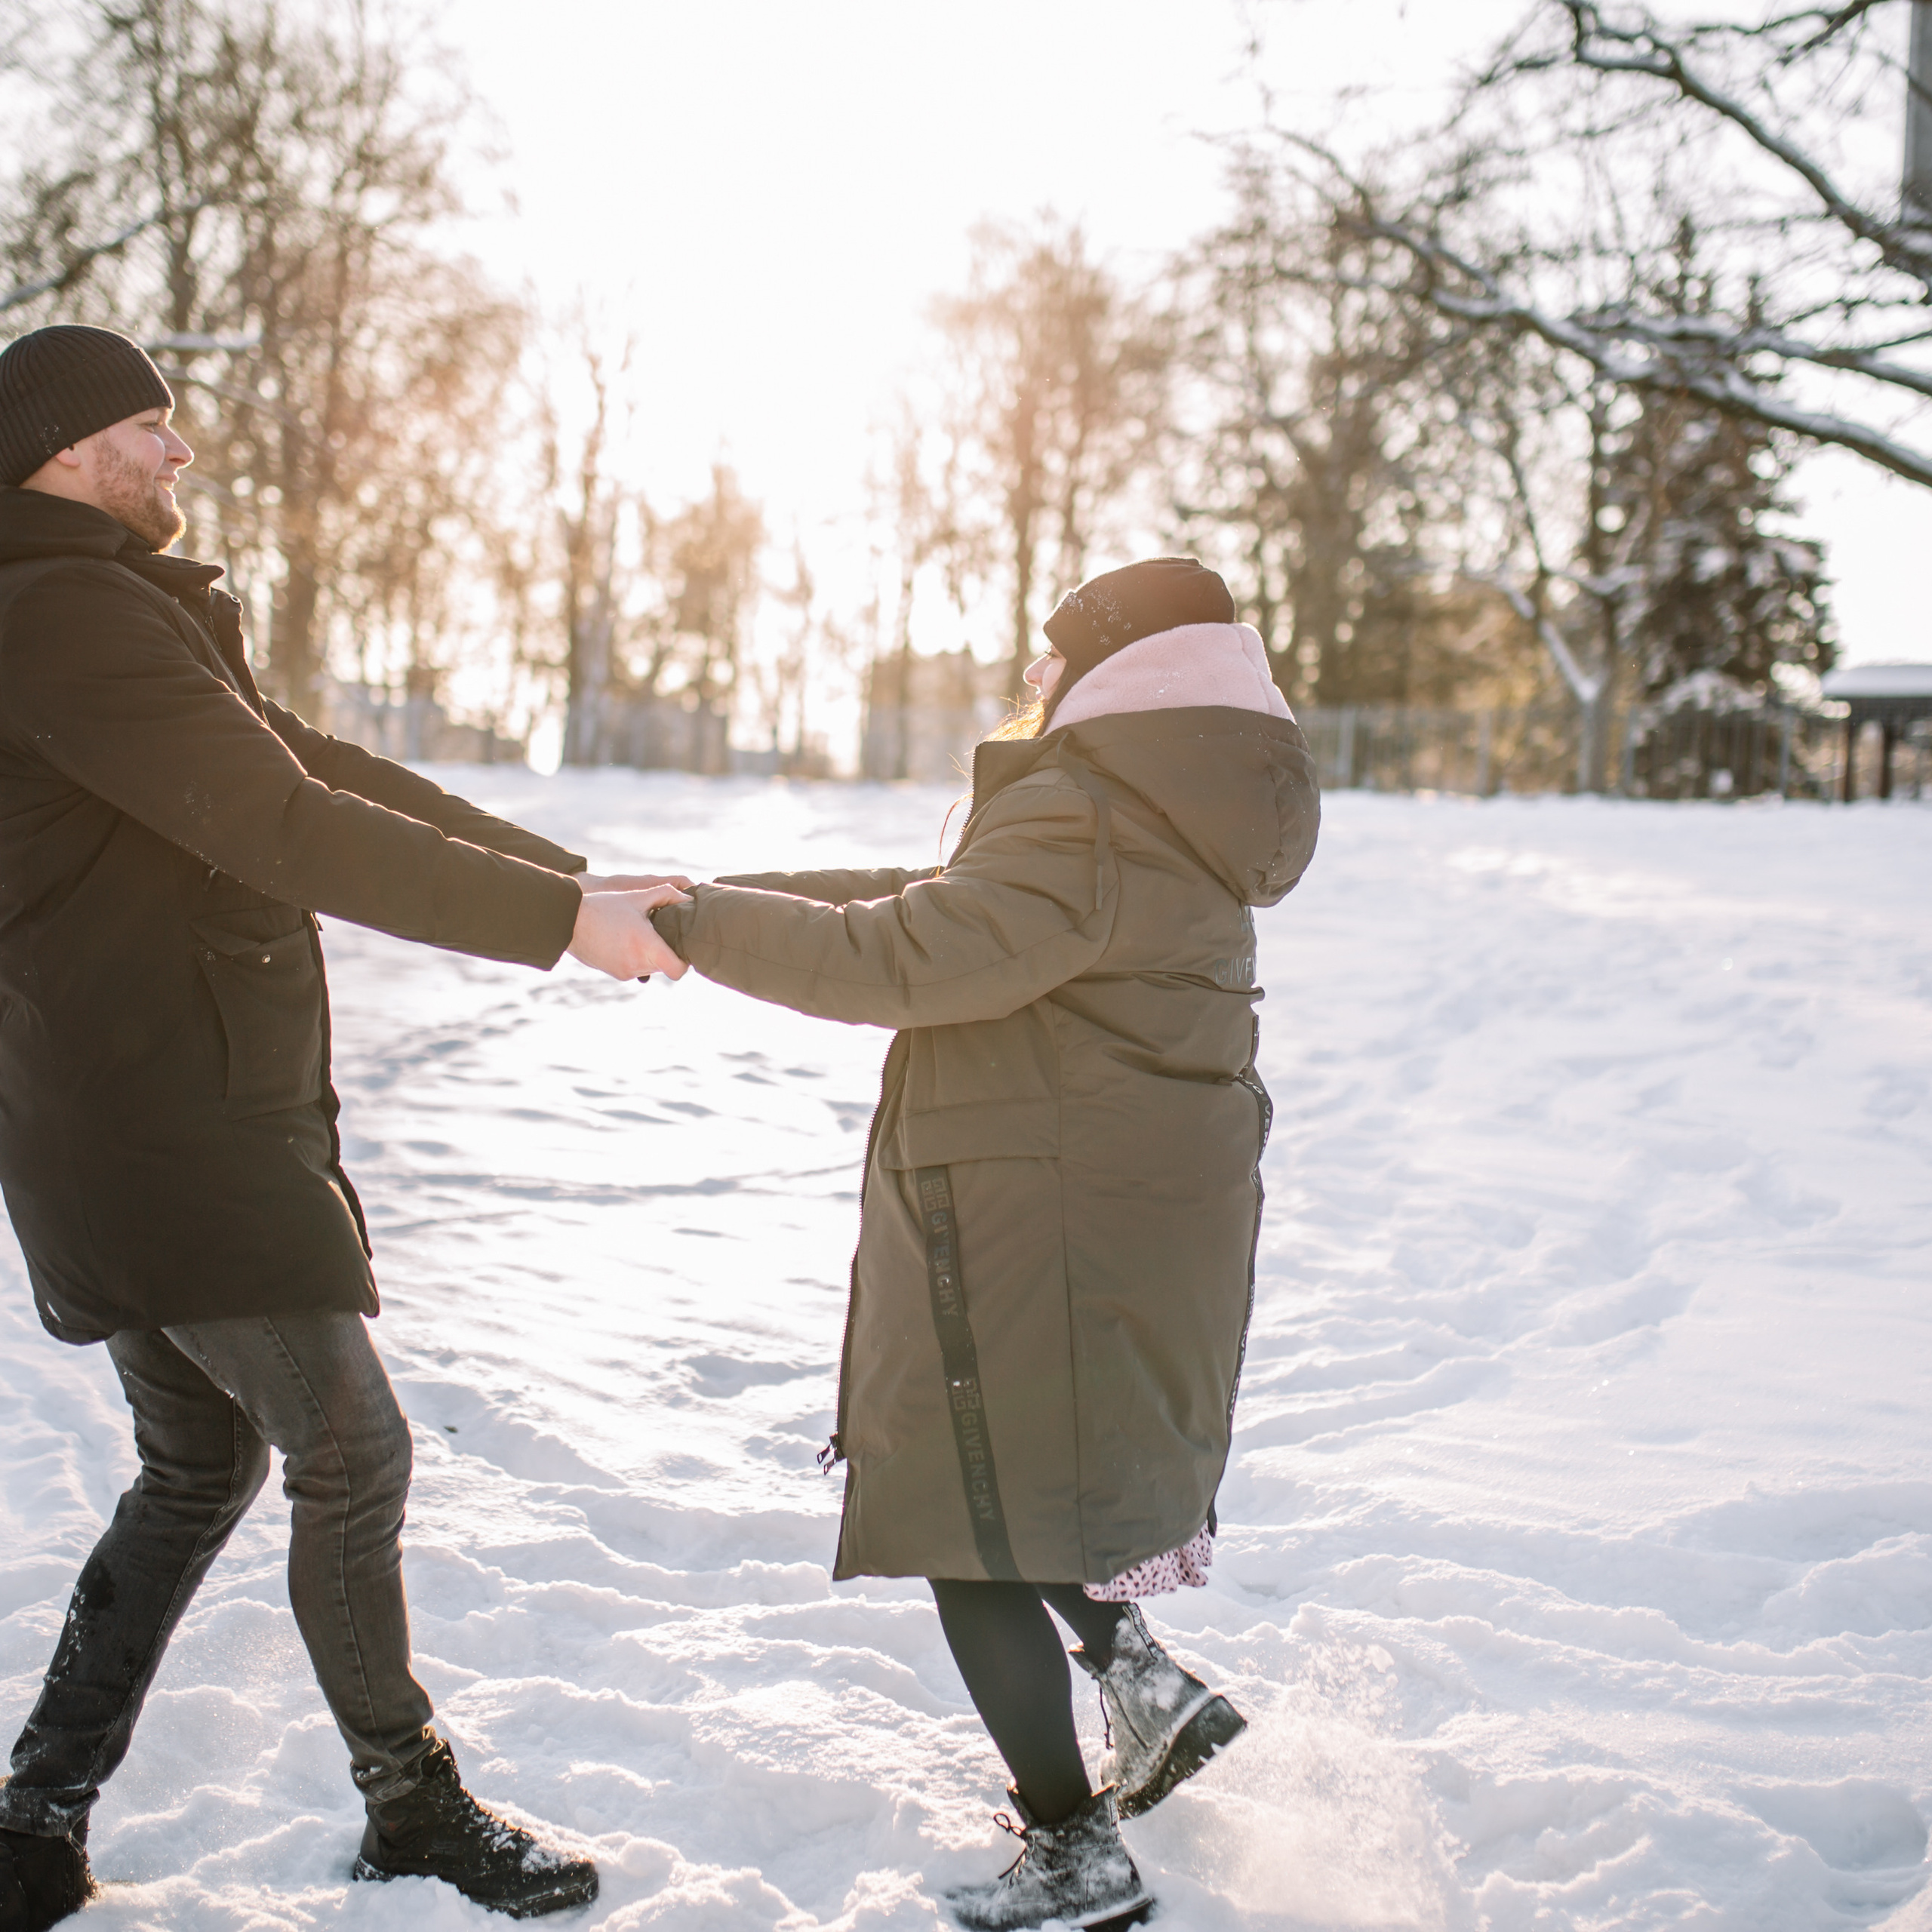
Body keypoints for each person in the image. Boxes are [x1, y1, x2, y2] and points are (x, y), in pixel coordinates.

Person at [0, 324, 687, 1931]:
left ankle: (34, 1820)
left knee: (198, 1464)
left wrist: (568, 875)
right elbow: (286, 824)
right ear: (58, 444)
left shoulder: (103, 609)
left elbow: (309, 761)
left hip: (152, 1106)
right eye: (148, 428)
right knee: (350, 1447)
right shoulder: (61, 617)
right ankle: (410, 1802)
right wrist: (555, 927)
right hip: (165, 1124)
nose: (179, 454)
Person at [647, 556, 1321, 1931]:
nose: (1030, 677)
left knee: (969, 1513)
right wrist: (715, 892)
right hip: (1102, 1211)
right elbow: (940, 897)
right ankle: (1140, 1677)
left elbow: (906, 956)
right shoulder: (1156, 803)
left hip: (1042, 1218)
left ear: (1119, 669)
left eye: (1053, 653)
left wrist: (695, 929)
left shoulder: (1086, 810)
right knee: (1022, 1477)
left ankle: (1076, 1851)